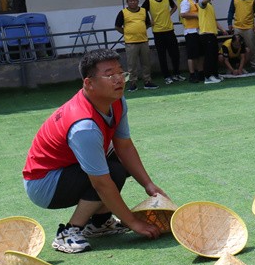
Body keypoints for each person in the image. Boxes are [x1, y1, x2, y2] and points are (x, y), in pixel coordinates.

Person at [23, 48, 166, 253]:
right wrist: (133, 222)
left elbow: (124, 146)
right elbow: (101, 183)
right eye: (110, 75)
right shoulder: (84, 126)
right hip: (44, 184)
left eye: (121, 72)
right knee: (112, 172)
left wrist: (149, 185)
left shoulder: (116, 101)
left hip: (66, 168)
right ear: (89, 83)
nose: (119, 79)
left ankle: (100, 223)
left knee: (118, 162)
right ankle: (68, 232)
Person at [142, 0, 183, 85]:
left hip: (169, 30)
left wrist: (169, 14)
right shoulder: (149, 1)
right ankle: (166, 76)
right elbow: (142, 11)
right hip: (158, 32)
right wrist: (148, 21)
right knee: (162, 55)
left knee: (175, 54)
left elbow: (175, 6)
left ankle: (176, 74)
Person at [114, 0, 158, 91]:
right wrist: (126, 33)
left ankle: (147, 82)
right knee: (132, 65)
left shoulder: (143, 11)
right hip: (131, 43)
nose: (133, 2)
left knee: (146, 63)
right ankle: (133, 83)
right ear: (127, 2)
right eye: (130, 1)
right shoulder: (123, 12)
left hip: (143, 41)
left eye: (134, 0)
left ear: (138, 1)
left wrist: (140, 30)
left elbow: (147, 24)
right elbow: (117, 26)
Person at [226, 0, 255, 74]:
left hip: (249, 27)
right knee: (238, 48)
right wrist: (229, 23)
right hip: (237, 27)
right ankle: (239, 66)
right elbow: (231, 11)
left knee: (252, 47)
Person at [197, 0, 222, 84]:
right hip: (206, 33)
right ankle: (207, 77)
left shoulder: (210, 5)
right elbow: (203, 1)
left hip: (212, 33)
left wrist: (222, 29)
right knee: (209, 56)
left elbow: (214, 20)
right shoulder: (202, 0)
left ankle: (214, 74)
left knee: (214, 55)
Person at [180, 0, 204, 83]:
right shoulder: (186, 1)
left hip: (200, 31)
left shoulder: (199, 2)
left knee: (201, 54)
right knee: (192, 55)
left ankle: (201, 73)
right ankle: (192, 74)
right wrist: (196, 15)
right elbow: (183, 14)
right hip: (190, 32)